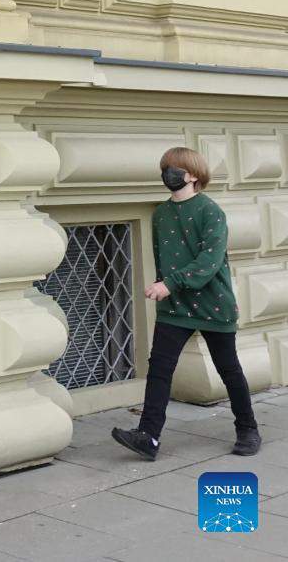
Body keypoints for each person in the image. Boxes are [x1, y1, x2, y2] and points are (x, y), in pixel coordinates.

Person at [112, 147, 261, 460]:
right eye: (165, 168)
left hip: (213, 305)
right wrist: (166, 287)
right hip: (174, 307)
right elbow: (162, 258)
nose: (168, 174)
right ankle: (148, 436)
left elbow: (209, 261)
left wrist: (169, 284)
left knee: (228, 369)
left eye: (175, 169)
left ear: (193, 175)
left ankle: (248, 429)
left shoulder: (210, 211)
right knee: (159, 368)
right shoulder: (160, 214)